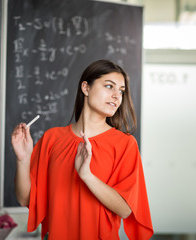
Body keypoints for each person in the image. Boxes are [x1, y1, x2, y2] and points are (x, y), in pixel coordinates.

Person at [11, 59, 153, 240]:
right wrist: (23, 159)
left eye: (121, 90)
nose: (117, 96)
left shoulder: (125, 144)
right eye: (109, 86)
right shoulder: (52, 138)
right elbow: (25, 199)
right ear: (86, 88)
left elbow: (125, 209)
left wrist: (87, 176)